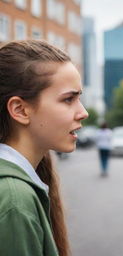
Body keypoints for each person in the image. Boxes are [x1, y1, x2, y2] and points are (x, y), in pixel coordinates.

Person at [0, 39, 88, 256]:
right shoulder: (14, 200)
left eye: (79, 98)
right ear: (20, 110)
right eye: (69, 99)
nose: (83, 112)